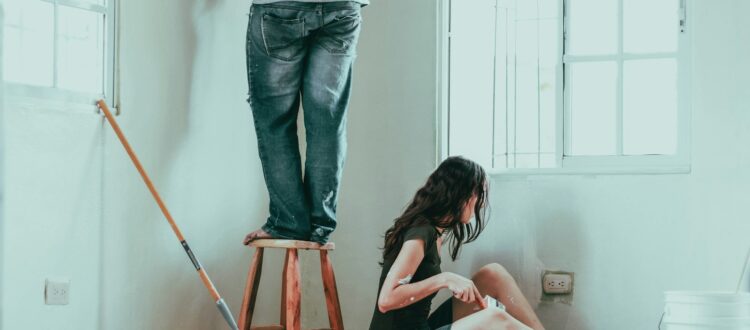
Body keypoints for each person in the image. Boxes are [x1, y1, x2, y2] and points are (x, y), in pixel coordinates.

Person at [242, 0, 368, 245]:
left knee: (276, 124)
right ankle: (320, 224)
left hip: (279, 8)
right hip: (342, 9)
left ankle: (288, 222)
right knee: (328, 123)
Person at [369, 156, 545, 330]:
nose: (482, 204)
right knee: (496, 318)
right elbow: (386, 301)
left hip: (421, 326)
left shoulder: (435, 231)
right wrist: (445, 278)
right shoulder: (421, 232)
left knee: (492, 274)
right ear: (461, 194)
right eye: (479, 194)